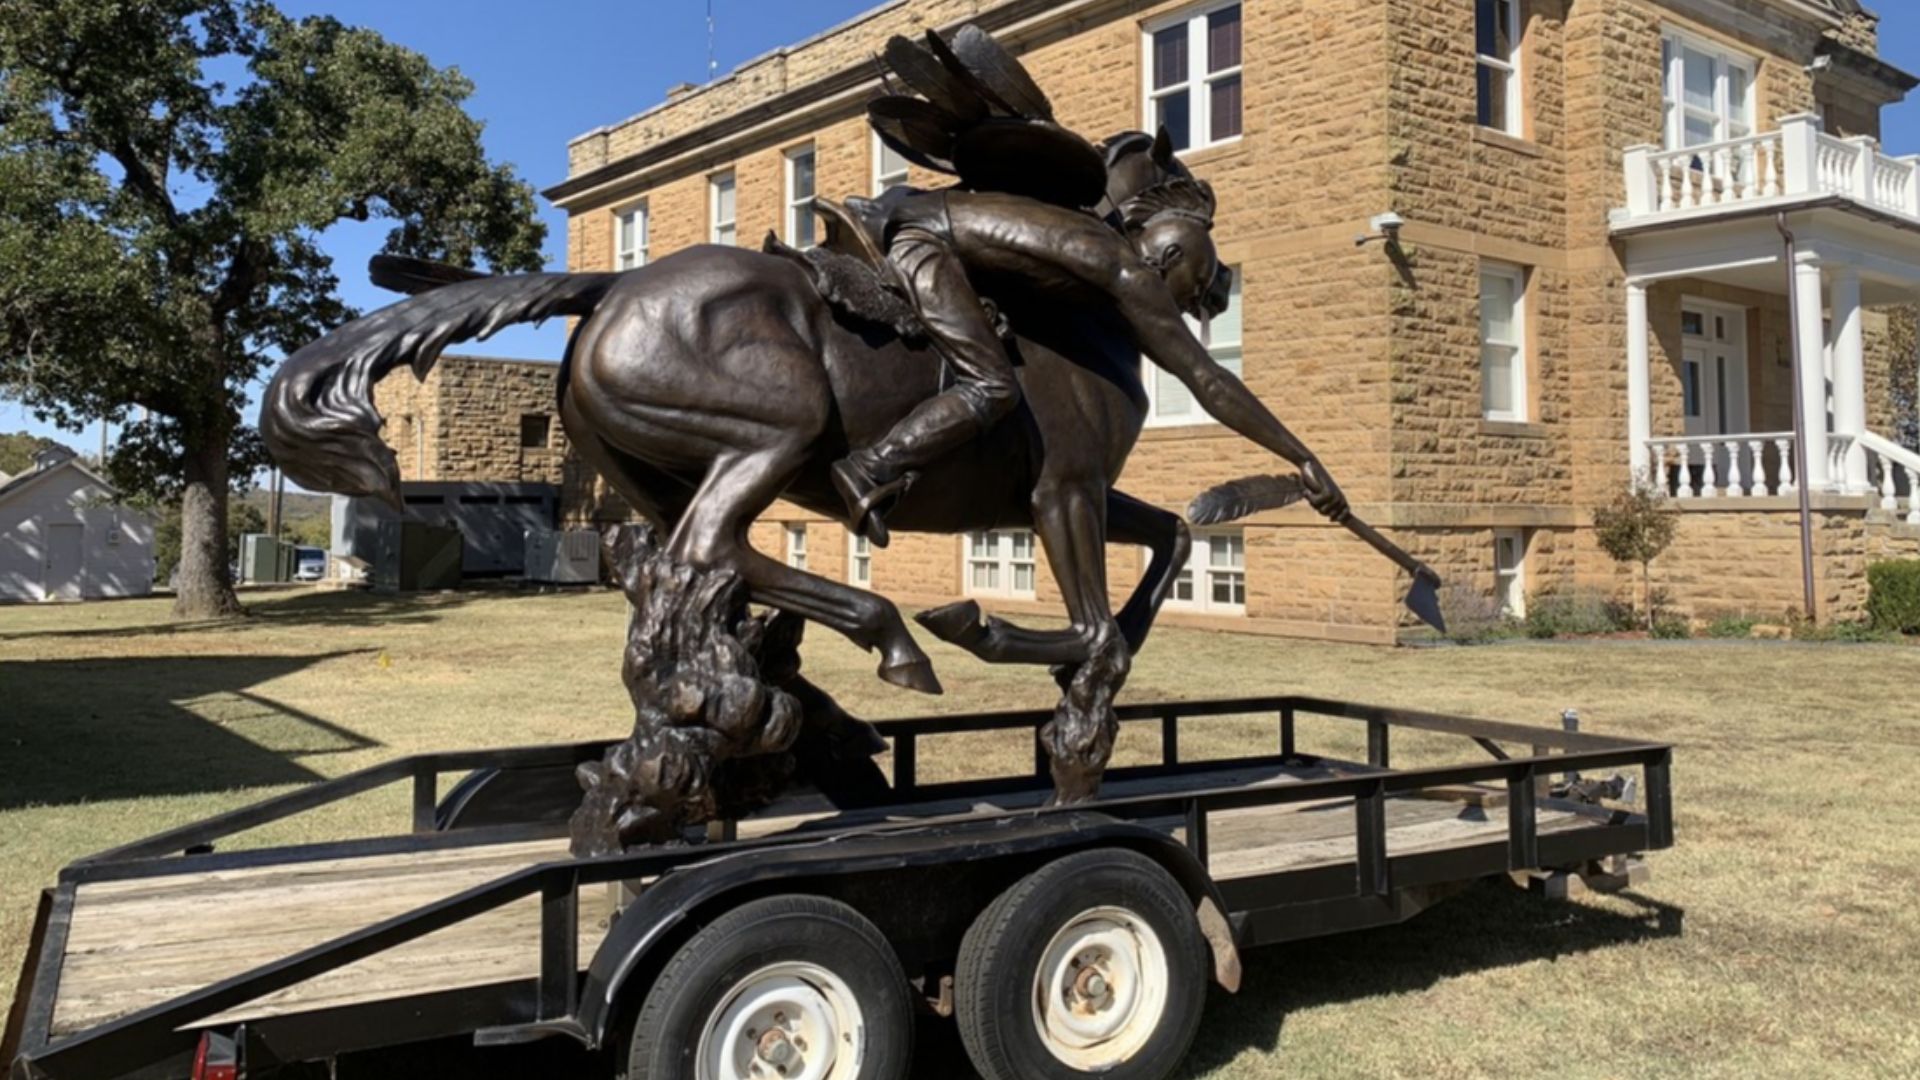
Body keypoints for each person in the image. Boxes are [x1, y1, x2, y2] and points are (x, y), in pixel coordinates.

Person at [830, 178, 1349, 546]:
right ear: (1166, 259)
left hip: (929, 229)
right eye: (1187, 291)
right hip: (922, 245)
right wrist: (1302, 457)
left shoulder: (1094, 248)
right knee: (993, 386)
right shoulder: (1128, 273)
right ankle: (874, 467)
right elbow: (1206, 379)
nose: (1178, 310)